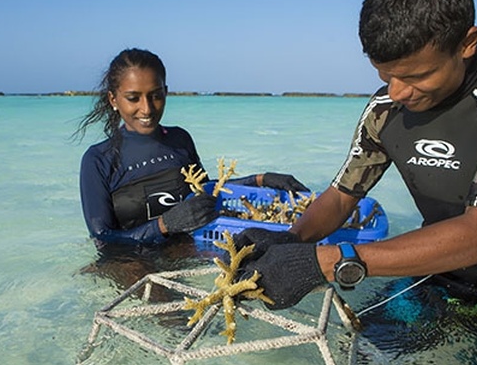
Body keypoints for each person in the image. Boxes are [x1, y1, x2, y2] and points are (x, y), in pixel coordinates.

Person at [235, 0, 477, 310]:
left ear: (466, 42)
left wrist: (326, 261)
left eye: (415, 77)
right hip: (432, 277)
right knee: (363, 356)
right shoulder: (385, 108)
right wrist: (291, 239)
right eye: (385, 75)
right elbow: (340, 197)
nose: (396, 92)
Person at [77, 48, 308, 248]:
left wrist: (260, 179)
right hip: (132, 264)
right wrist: (163, 225)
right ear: (114, 100)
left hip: (187, 250)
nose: (147, 109)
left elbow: (206, 194)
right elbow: (103, 238)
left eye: (155, 96)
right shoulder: (98, 159)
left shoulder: (180, 139)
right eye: (133, 98)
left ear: (165, 92)